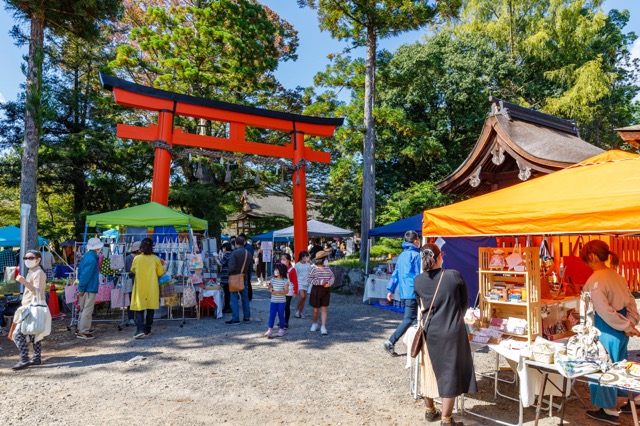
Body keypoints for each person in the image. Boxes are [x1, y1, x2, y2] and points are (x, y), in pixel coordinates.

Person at [413, 243, 476, 426]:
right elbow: (464, 304)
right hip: (451, 331)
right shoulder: (453, 276)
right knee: (450, 373)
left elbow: (421, 306)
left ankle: (430, 410)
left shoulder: (418, 280)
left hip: (429, 330)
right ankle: (446, 420)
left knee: (429, 370)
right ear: (440, 257)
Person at [580, 240, 640, 424]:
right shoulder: (616, 276)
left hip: (606, 327)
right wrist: (630, 322)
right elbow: (630, 301)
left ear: (591, 256)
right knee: (619, 365)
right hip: (619, 326)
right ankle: (634, 399)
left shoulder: (596, 280)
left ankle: (609, 410)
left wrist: (626, 325)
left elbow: (605, 311)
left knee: (602, 368)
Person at [383, 230, 421, 356]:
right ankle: (390, 341)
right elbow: (419, 275)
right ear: (415, 241)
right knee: (409, 319)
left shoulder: (402, 255)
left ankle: (420, 345)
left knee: (416, 319)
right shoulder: (416, 255)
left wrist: (390, 289)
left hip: (405, 291)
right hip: (414, 291)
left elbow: (396, 274)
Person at [12, 250, 51, 370]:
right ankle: (36, 358)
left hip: (34, 306)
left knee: (18, 334)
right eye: (25, 258)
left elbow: (38, 292)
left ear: (38, 259)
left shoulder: (38, 272)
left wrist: (24, 282)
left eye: (30, 258)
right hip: (31, 306)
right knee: (34, 332)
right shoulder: (32, 271)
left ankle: (24, 359)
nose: (27, 260)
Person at [130, 238, 165, 339]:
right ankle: (147, 329)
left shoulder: (137, 258)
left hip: (140, 286)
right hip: (152, 286)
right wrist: (163, 266)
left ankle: (139, 330)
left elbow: (133, 269)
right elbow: (160, 272)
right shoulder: (155, 259)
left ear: (141, 247)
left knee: (139, 308)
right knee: (150, 308)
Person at [76, 237, 103, 340]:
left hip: (85, 287)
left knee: (83, 309)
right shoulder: (92, 259)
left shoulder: (87, 257)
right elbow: (85, 275)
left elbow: (81, 273)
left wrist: (81, 287)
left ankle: (81, 328)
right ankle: (83, 331)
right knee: (87, 310)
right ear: (98, 248)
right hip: (89, 287)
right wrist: (82, 288)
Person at [308, 250, 334, 335]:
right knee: (315, 309)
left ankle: (323, 326)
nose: (327, 259)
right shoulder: (314, 268)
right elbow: (309, 279)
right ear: (322, 259)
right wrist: (320, 282)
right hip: (316, 290)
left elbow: (332, 277)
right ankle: (315, 323)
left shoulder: (328, 268)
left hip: (326, 290)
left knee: (324, 309)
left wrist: (329, 283)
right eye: (326, 258)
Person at [226, 236, 251, 325]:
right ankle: (246, 317)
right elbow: (250, 267)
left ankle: (235, 318)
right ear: (244, 243)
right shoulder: (248, 253)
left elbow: (231, 267)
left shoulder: (235, 253)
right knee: (245, 298)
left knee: (234, 298)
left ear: (236, 243)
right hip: (244, 276)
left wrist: (230, 274)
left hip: (235, 277)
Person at [264, 263, 290, 338]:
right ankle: (270, 330)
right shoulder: (273, 279)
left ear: (281, 271)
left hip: (282, 302)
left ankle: (282, 329)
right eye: (275, 270)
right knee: (272, 315)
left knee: (281, 315)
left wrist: (277, 292)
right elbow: (270, 288)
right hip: (273, 301)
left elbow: (286, 291)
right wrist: (269, 288)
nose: (275, 271)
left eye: (276, 270)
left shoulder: (285, 281)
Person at [124, 241, 141, 326]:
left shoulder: (136, 257)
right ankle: (131, 318)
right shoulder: (129, 258)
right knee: (131, 300)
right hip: (131, 281)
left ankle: (137, 318)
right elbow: (128, 271)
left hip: (137, 281)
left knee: (137, 300)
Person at [281, 253, 298, 329]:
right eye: (281, 259)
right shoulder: (280, 268)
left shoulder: (292, 269)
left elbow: (295, 281)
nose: (282, 261)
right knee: (281, 305)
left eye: (284, 259)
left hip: (289, 289)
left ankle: (286, 322)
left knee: (286, 305)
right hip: (281, 288)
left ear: (288, 260)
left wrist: (295, 292)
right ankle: (282, 320)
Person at [215, 242, 233, 313]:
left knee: (226, 292)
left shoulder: (227, 255)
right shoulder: (231, 254)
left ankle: (227, 307)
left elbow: (220, 263)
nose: (223, 249)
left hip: (226, 276)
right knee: (228, 292)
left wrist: (216, 258)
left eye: (223, 248)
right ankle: (228, 307)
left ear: (226, 248)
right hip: (230, 276)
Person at [294, 251, 311, 318]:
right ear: (301, 257)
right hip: (300, 282)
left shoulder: (308, 265)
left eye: (307, 256)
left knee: (304, 298)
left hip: (306, 283)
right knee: (302, 296)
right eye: (305, 256)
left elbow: (310, 273)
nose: (306, 258)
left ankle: (301, 311)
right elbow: (295, 275)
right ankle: (297, 309)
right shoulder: (297, 265)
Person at [239, 233, 254, 301]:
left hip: (247, 268)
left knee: (247, 282)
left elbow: (250, 257)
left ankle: (249, 296)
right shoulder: (240, 247)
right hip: (240, 268)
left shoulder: (249, 247)